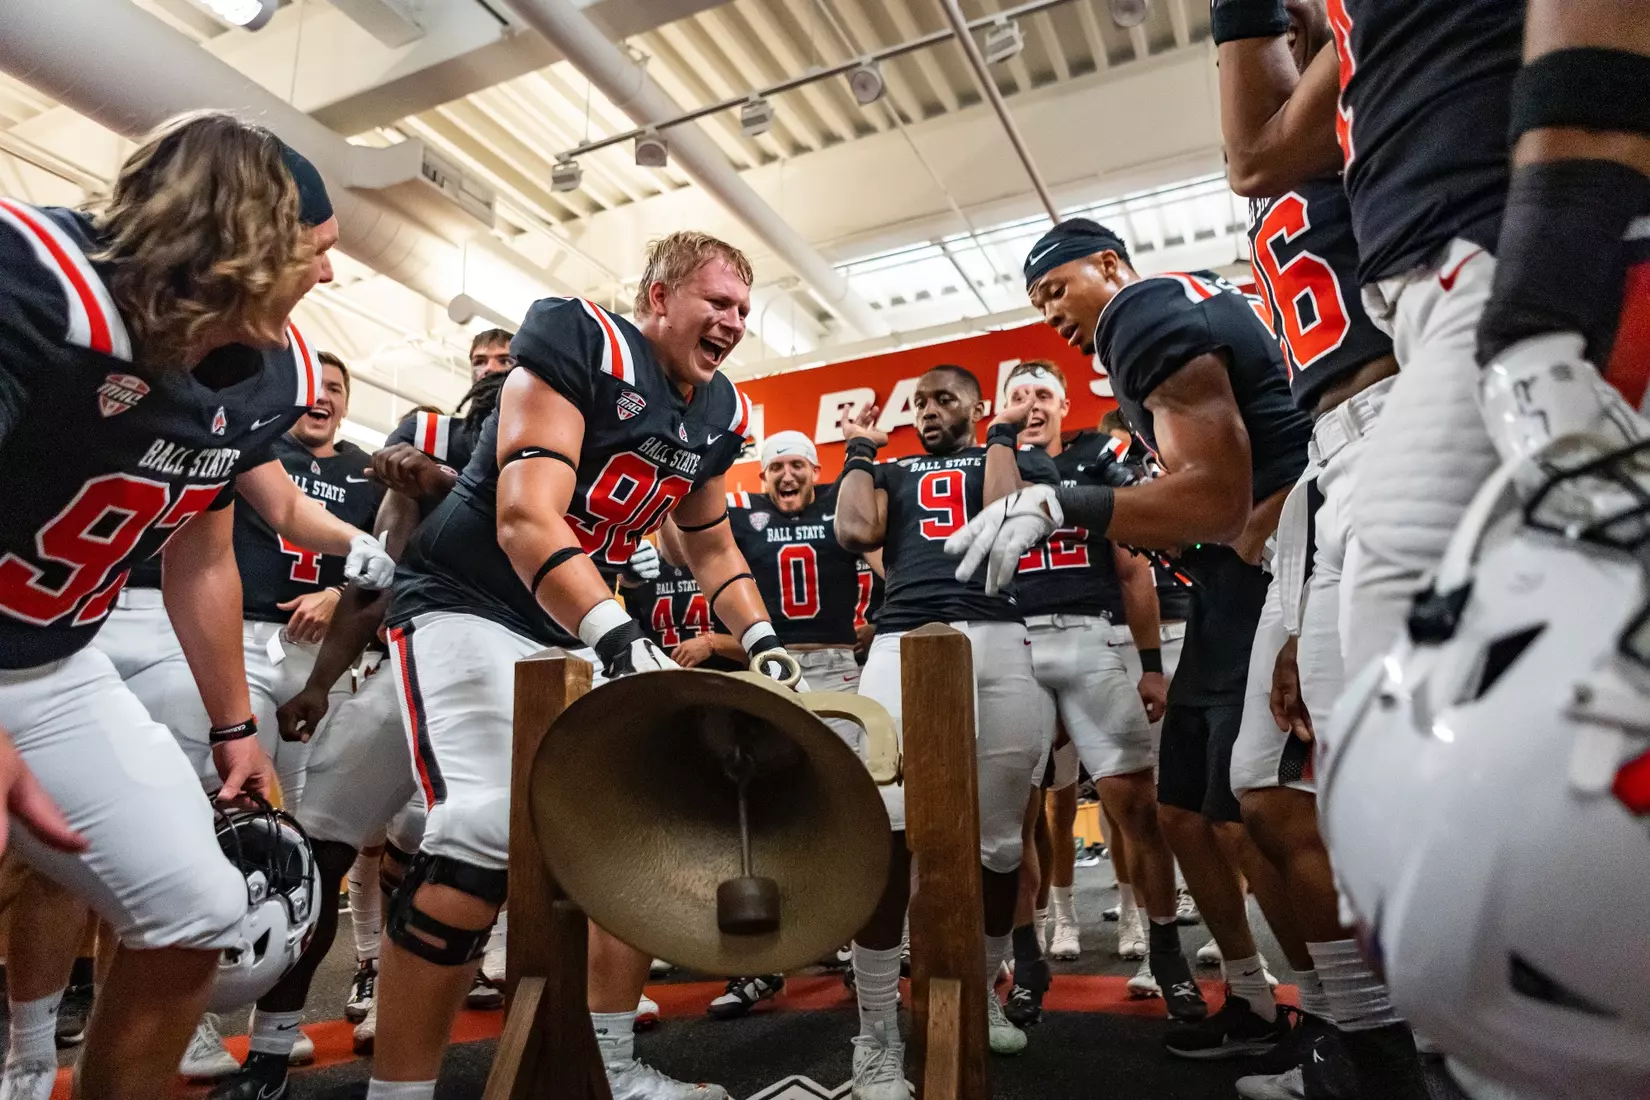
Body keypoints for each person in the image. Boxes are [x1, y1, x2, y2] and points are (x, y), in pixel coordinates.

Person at [0, 111, 394, 1100]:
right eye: (318, 252)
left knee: (195, 909)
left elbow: (204, 553)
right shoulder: (36, 287)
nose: (330, 279)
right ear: (244, 238)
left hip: (52, 661)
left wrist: (232, 730)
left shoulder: (261, 373)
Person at [367, 232, 793, 1100]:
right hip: (470, 601)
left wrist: (764, 641)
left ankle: (611, 1065)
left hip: (570, 625)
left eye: (744, 309)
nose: (733, 322)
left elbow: (709, 545)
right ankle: (399, 1091)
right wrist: (616, 636)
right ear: (659, 297)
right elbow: (527, 519)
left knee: (642, 834)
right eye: (717, 301)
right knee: (481, 828)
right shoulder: (581, 339)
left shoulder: (717, 414)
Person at [950, 220, 1316, 1060]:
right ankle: (1258, 1001)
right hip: (1238, 578)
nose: (1052, 313)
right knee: (1185, 811)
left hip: (1281, 566)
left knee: (1265, 805)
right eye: (1036, 303)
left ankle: (1350, 1020)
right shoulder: (1185, 312)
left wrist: (1064, 506)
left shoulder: (1142, 310)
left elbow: (1218, 499)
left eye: (1056, 289)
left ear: (1110, 265)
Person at [1212, 3, 1426, 1097]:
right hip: (1336, 460)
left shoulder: (1383, 57)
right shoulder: (1303, 114)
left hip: (1413, 416)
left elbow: (1256, 148)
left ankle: (1447, 1046)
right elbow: (1254, 150)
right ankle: (1372, 1042)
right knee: (1266, 782)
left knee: (1406, 777)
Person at [205, 370, 510, 1100]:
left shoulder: (584, 458)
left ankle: (588, 1031)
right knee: (318, 851)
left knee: (486, 857)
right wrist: (319, 682)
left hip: (511, 673)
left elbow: (536, 539)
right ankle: (273, 1050)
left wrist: (442, 485)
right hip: (411, 668)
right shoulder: (436, 437)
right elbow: (377, 577)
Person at [833, 364, 1056, 1096]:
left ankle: (981, 986)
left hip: (997, 635)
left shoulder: (1009, 453)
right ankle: (874, 1034)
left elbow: (1003, 513)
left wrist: (994, 433)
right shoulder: (892, 471)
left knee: (997, 844)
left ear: (976, 405)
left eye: (943, 399)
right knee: (887, 834)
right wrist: (862, 451)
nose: (928, 411)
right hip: (902, 640)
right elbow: (854, 530)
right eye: (920, 402)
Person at [997, 359, 1199, 1022]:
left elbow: (1134, 567)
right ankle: (1028, 958)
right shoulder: (986, 465)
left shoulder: (1100, 454)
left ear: (1063, 404)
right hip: (1015, 643)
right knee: (1013, 818)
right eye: (1018, 394)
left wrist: (1148, 661)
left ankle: (1162, 949)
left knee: (1133, 804)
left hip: (1092, 635)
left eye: (1042, 394)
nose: (1031, 404)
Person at [703, 430, 877, 1021]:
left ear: (815, 469)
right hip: (769, 665)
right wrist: (697, 468)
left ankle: (861, 949)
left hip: (837, 668)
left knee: (852, 804)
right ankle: (761, 962)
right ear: (762, 475)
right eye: (775, 465)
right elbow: (683, 548)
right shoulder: (742, 520)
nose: (786, 475)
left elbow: (887, 557)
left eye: (797, 464)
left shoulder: (839, 508)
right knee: (765, 811)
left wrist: (883, 621)